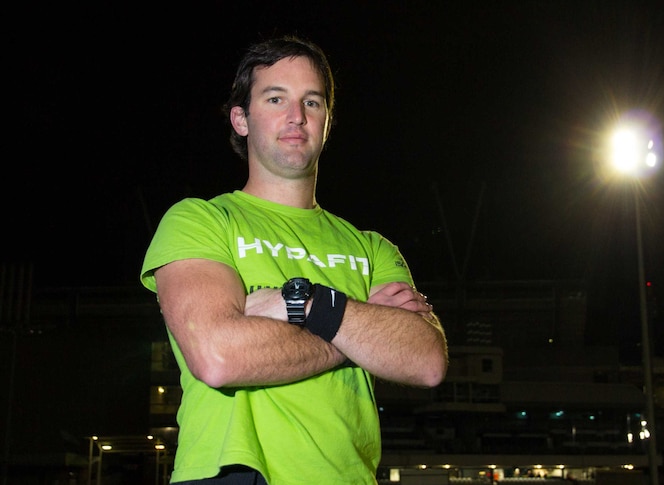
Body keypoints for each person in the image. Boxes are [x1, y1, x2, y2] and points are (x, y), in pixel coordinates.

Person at [140, 34, 448, 484]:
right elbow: (218, 356)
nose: (296, 116)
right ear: (241, 119)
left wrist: (302, 306)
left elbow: (425, 360)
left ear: (327, 121)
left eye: (313, 102)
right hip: (232, 472)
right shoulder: (201, 221)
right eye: (275, 98)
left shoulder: (371, 247)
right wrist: (362, 335)